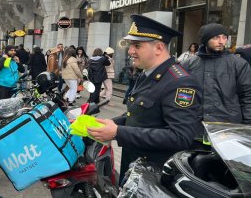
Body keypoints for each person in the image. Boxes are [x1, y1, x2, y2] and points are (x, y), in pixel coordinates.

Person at [87, 15, 202, 183]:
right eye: (131, 45)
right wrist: (110, 124)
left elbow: (180, 136)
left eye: (137, 45)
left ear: (159, 47)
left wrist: (118, 132)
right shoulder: (147, 74)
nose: (130, 51)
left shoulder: (180, 82)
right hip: (135, 167)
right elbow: (140, 115)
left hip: (155, 176)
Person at [180, 23, 251, 127]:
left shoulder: (238, 64)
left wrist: (250, 127)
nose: (221, 41)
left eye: (224, 37)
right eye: (216, 37)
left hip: (228, 129)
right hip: (194, 130)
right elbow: (179, 95)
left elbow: (250, 96)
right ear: (205, 40)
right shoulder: (188, 64)